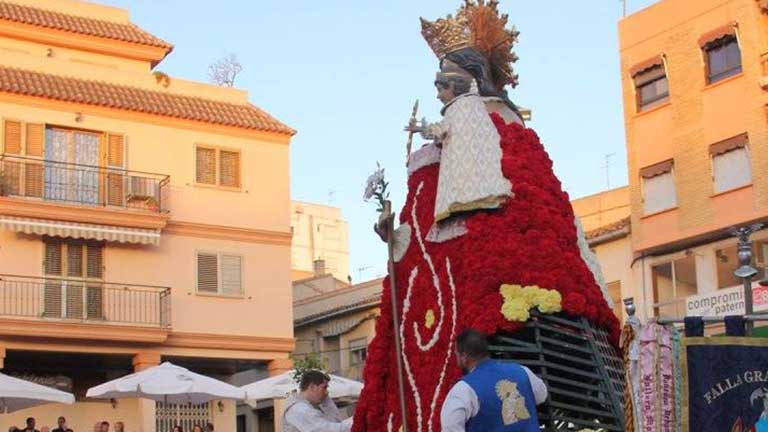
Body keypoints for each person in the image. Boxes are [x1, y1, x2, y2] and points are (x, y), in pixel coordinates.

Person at [440, 329, 548, 432]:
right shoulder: (522, 371)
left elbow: (450, 427)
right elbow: (542, 395)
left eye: (456, 354)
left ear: (464, 356)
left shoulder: (464, 389)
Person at [281, 370, 352, 432]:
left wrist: (326, 402)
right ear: (312, 387)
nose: (326, 392)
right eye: (324, 387)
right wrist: (358, 417)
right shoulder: (299, 409)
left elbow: (336, 422)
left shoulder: (311, 406)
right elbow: (330, 430)